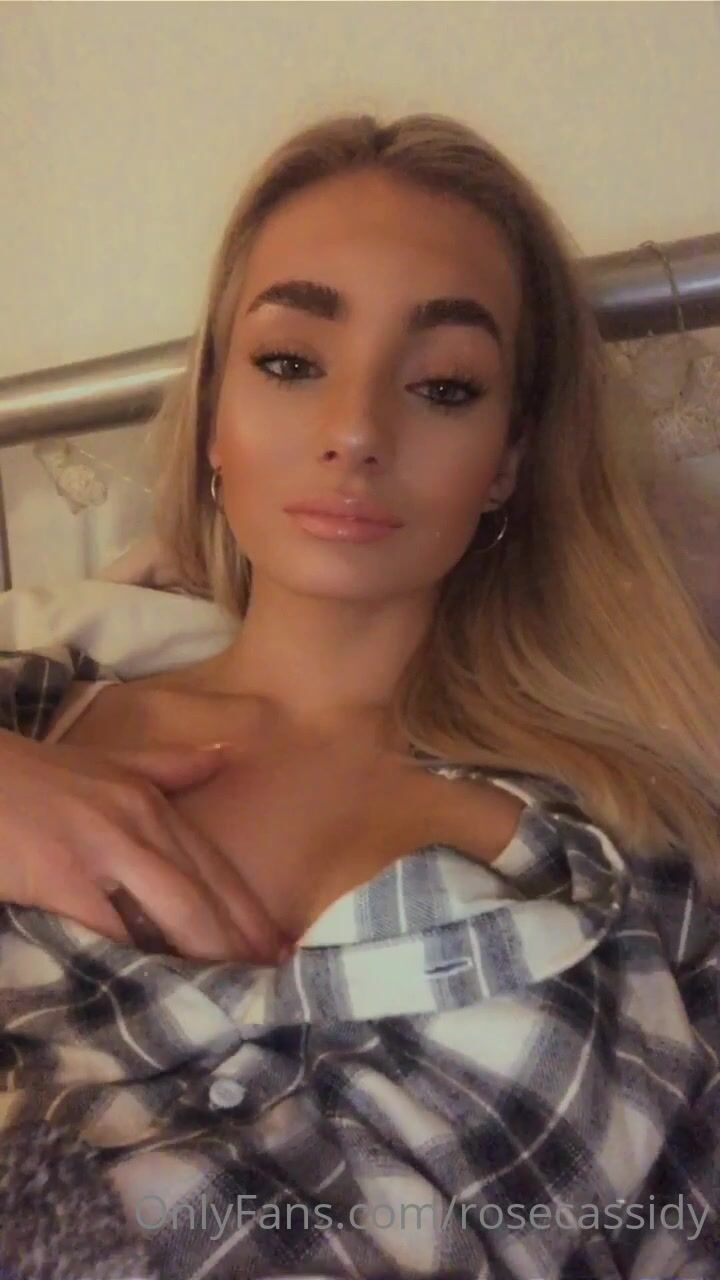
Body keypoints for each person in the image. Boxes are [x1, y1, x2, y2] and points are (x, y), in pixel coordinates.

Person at [0, 111, 719, 1280]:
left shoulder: (641, 846)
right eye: (290, 362)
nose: (355, 430)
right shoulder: (31, 710)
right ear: (214, 415)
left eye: (444, 385)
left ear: (508, 458)